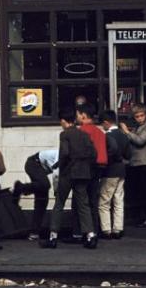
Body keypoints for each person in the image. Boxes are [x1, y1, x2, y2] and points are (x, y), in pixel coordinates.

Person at [43, 108, 98, 249]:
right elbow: (93, 153)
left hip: (68, 173)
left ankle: (53, 236)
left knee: (59, 203)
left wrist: (60, 167)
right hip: (83, 173)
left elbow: (65, 154)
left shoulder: (64, 135)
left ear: (63, 121)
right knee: (83, 204)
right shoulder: (84, 134)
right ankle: (90, 235)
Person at [121, 102, 146, 227]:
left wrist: (126, 132)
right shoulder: (138, 127)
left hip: (145, 163)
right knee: (140, 192)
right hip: (137, 163)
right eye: (137, 116)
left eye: (142, 116)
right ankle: (143, 218)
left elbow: (140, 141)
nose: (140, 118)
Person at [98, 109, 130, 239]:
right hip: (121, 170)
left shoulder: (107, 136)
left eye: (102, 124)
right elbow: (128, 154)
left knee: (104, 202)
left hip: (110, 171)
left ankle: (106, 230)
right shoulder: (123, 135)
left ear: (106, 123)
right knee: (118, 200)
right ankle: (118, 229)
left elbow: (107, 154)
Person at [76, 103, 107, 235]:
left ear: (83, 116)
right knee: (93, 200)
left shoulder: (82, 132)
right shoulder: (100, 132)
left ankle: (81, 231)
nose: (76, 118)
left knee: (81, 201)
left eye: (77, 115)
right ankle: (94, 229)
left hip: (84, 168)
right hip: (98, 168)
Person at [13, 150, 56, 241]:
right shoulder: (61, 156)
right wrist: (57, 192)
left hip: (40, 168)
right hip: (33, 163)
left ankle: (34, 232)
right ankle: (21, 187)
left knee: (42, 200)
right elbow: (56, 176)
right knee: (45, 185)